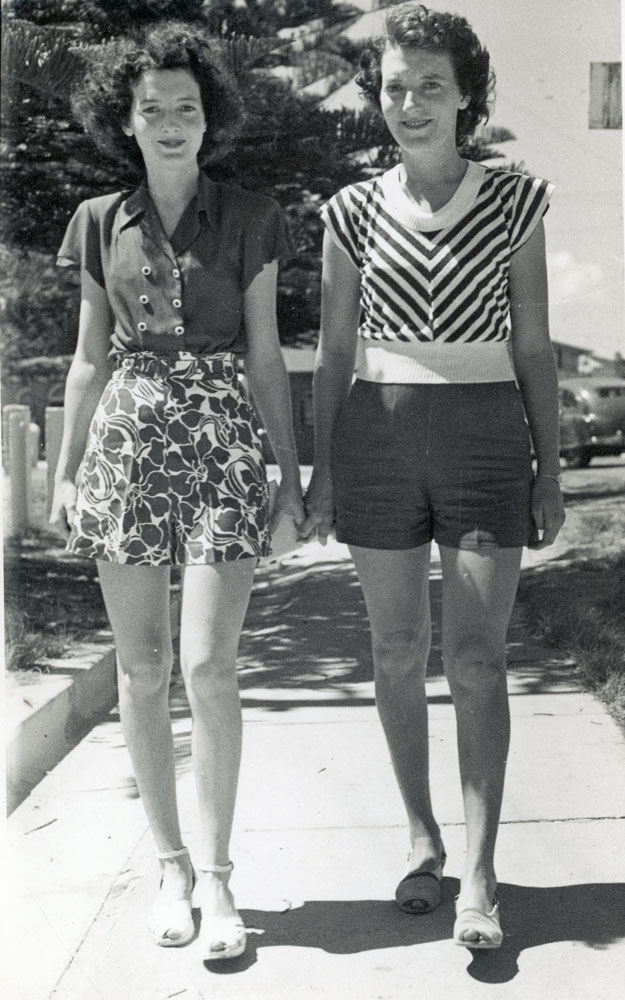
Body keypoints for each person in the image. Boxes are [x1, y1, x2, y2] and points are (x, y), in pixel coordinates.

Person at [305, 2, 565, 950]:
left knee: (477, 657)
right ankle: (421, 839)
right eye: (392, 88)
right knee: (394, 648)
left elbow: (531, 344)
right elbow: (334, 353)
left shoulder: (515, 201)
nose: (408, 103)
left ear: (464, 98)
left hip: (485, 435)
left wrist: (546, 469)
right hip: (375, 439)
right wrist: (325, 469)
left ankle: (480, 873)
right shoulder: (348, 211)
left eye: (429, 86)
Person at [49, 21, 305, 962]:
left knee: (207, 665)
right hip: (127, 441)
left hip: (222, 440)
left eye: (185, 108)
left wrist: (287, 477)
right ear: (124, 120)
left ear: (209, 118)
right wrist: (67, 471)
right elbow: (87, 358)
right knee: (142, 667)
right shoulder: (95, 220)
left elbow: (267, 355)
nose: (168, 122)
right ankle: (170, 867)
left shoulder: (252, 216)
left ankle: (221, 875)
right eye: (150, 108)